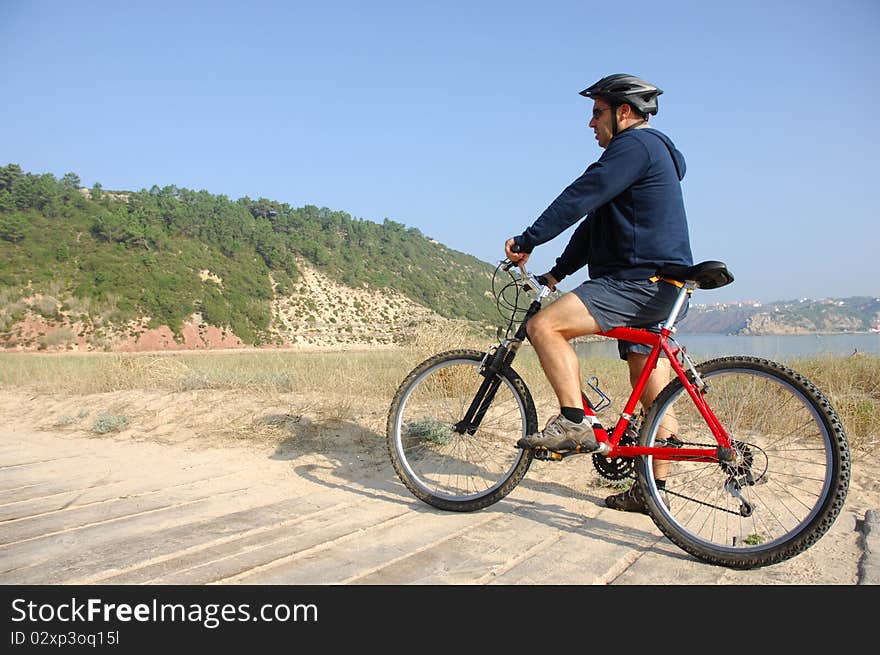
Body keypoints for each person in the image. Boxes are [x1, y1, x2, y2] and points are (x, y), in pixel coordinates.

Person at [504, 73, 693, 513]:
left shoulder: (633, 147)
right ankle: (653, 492)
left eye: (596, 113)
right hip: (662, 284)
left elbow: (581, 197)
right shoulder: (649, 155)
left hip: (634, 283)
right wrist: (557, 273)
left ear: (622, 112)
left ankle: (575, 422)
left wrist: (529, 238)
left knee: (543, 326)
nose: (591, 124)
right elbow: (595, 225)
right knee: (652, 392)